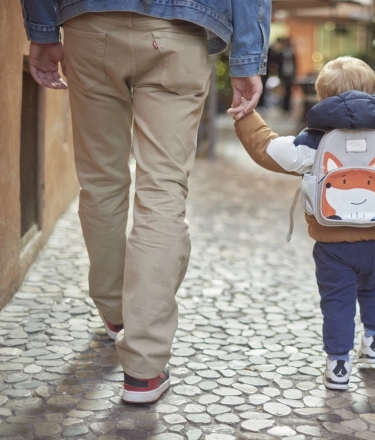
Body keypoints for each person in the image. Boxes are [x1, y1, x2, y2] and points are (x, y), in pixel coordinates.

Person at [21, 0, 270, 403]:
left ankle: (115, 312)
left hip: (90, 25)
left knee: (101, 181)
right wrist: (247, 57)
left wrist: (43, 29)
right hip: (178, 31)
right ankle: (144, 369)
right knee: (164, 191)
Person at [233, 56, 375, 390]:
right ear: (372, 92)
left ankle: (338, 365)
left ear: (324, 97)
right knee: (374, 286)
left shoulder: (315, 140)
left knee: (338, 299)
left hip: (333, 243)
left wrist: (246, 117)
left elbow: (269, 150)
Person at [278, 38, 297, 113]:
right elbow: (280, 64)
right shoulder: (282, 52)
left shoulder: (292, 52)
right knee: (283, 91)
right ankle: (283, 105)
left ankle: (287, 106)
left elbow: (295, 64)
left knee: (289, 90)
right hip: (284, 73)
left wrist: (294, 74)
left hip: (290, 73)